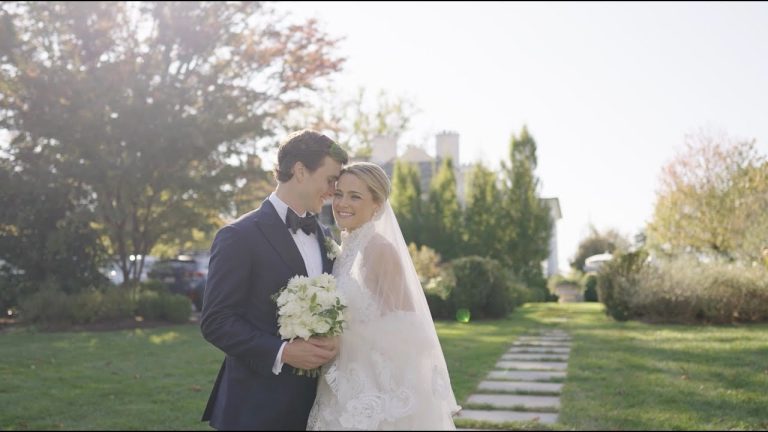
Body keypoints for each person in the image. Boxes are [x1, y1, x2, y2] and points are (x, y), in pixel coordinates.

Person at [200, 129, 349, 430]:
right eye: (331, 179)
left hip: (316, 406)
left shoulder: (325, 236)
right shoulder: (238, 236)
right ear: (300, 171)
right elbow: (216, 321)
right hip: (256, 407)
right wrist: (283, 352)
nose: (333, 190)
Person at [307, 162, 461, 430]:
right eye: (339, 193)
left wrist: (341, 335)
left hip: (373, 389)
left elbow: (406, 328)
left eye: (355, 196)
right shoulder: (347, 247)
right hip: (341, 381)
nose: (342, 203)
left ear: (377, 204)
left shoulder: (378, 249)